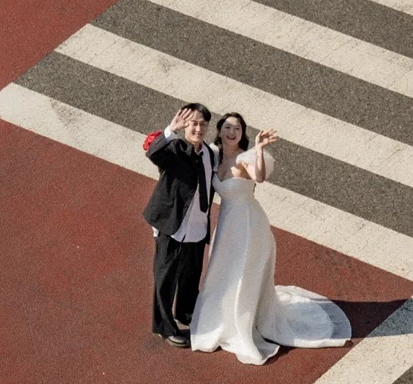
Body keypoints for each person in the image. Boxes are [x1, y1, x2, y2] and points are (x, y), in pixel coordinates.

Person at [188, 112, 351, 365]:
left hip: (248, 224)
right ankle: (218, 321)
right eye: (228, 127)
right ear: (219, 130)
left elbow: (259, 177)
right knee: (221, 272)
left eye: (237, 129)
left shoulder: (246, 158)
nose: (232, 132)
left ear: (243, 133)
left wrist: (259, 148)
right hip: (227, 225)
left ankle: (242, 323)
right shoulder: (215, 154)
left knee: (243, 273)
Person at [142, 103, 214, 348]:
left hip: (197, 226)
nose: (198, 129)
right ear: (185, 125)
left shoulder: (209, 153)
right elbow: (153, 153)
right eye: (193, 123)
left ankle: (185, 312)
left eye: (203, 124)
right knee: (165, 278)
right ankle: (164, 327)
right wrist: (170, 130)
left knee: (191, 274)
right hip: (172, 225)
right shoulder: (173, 148)